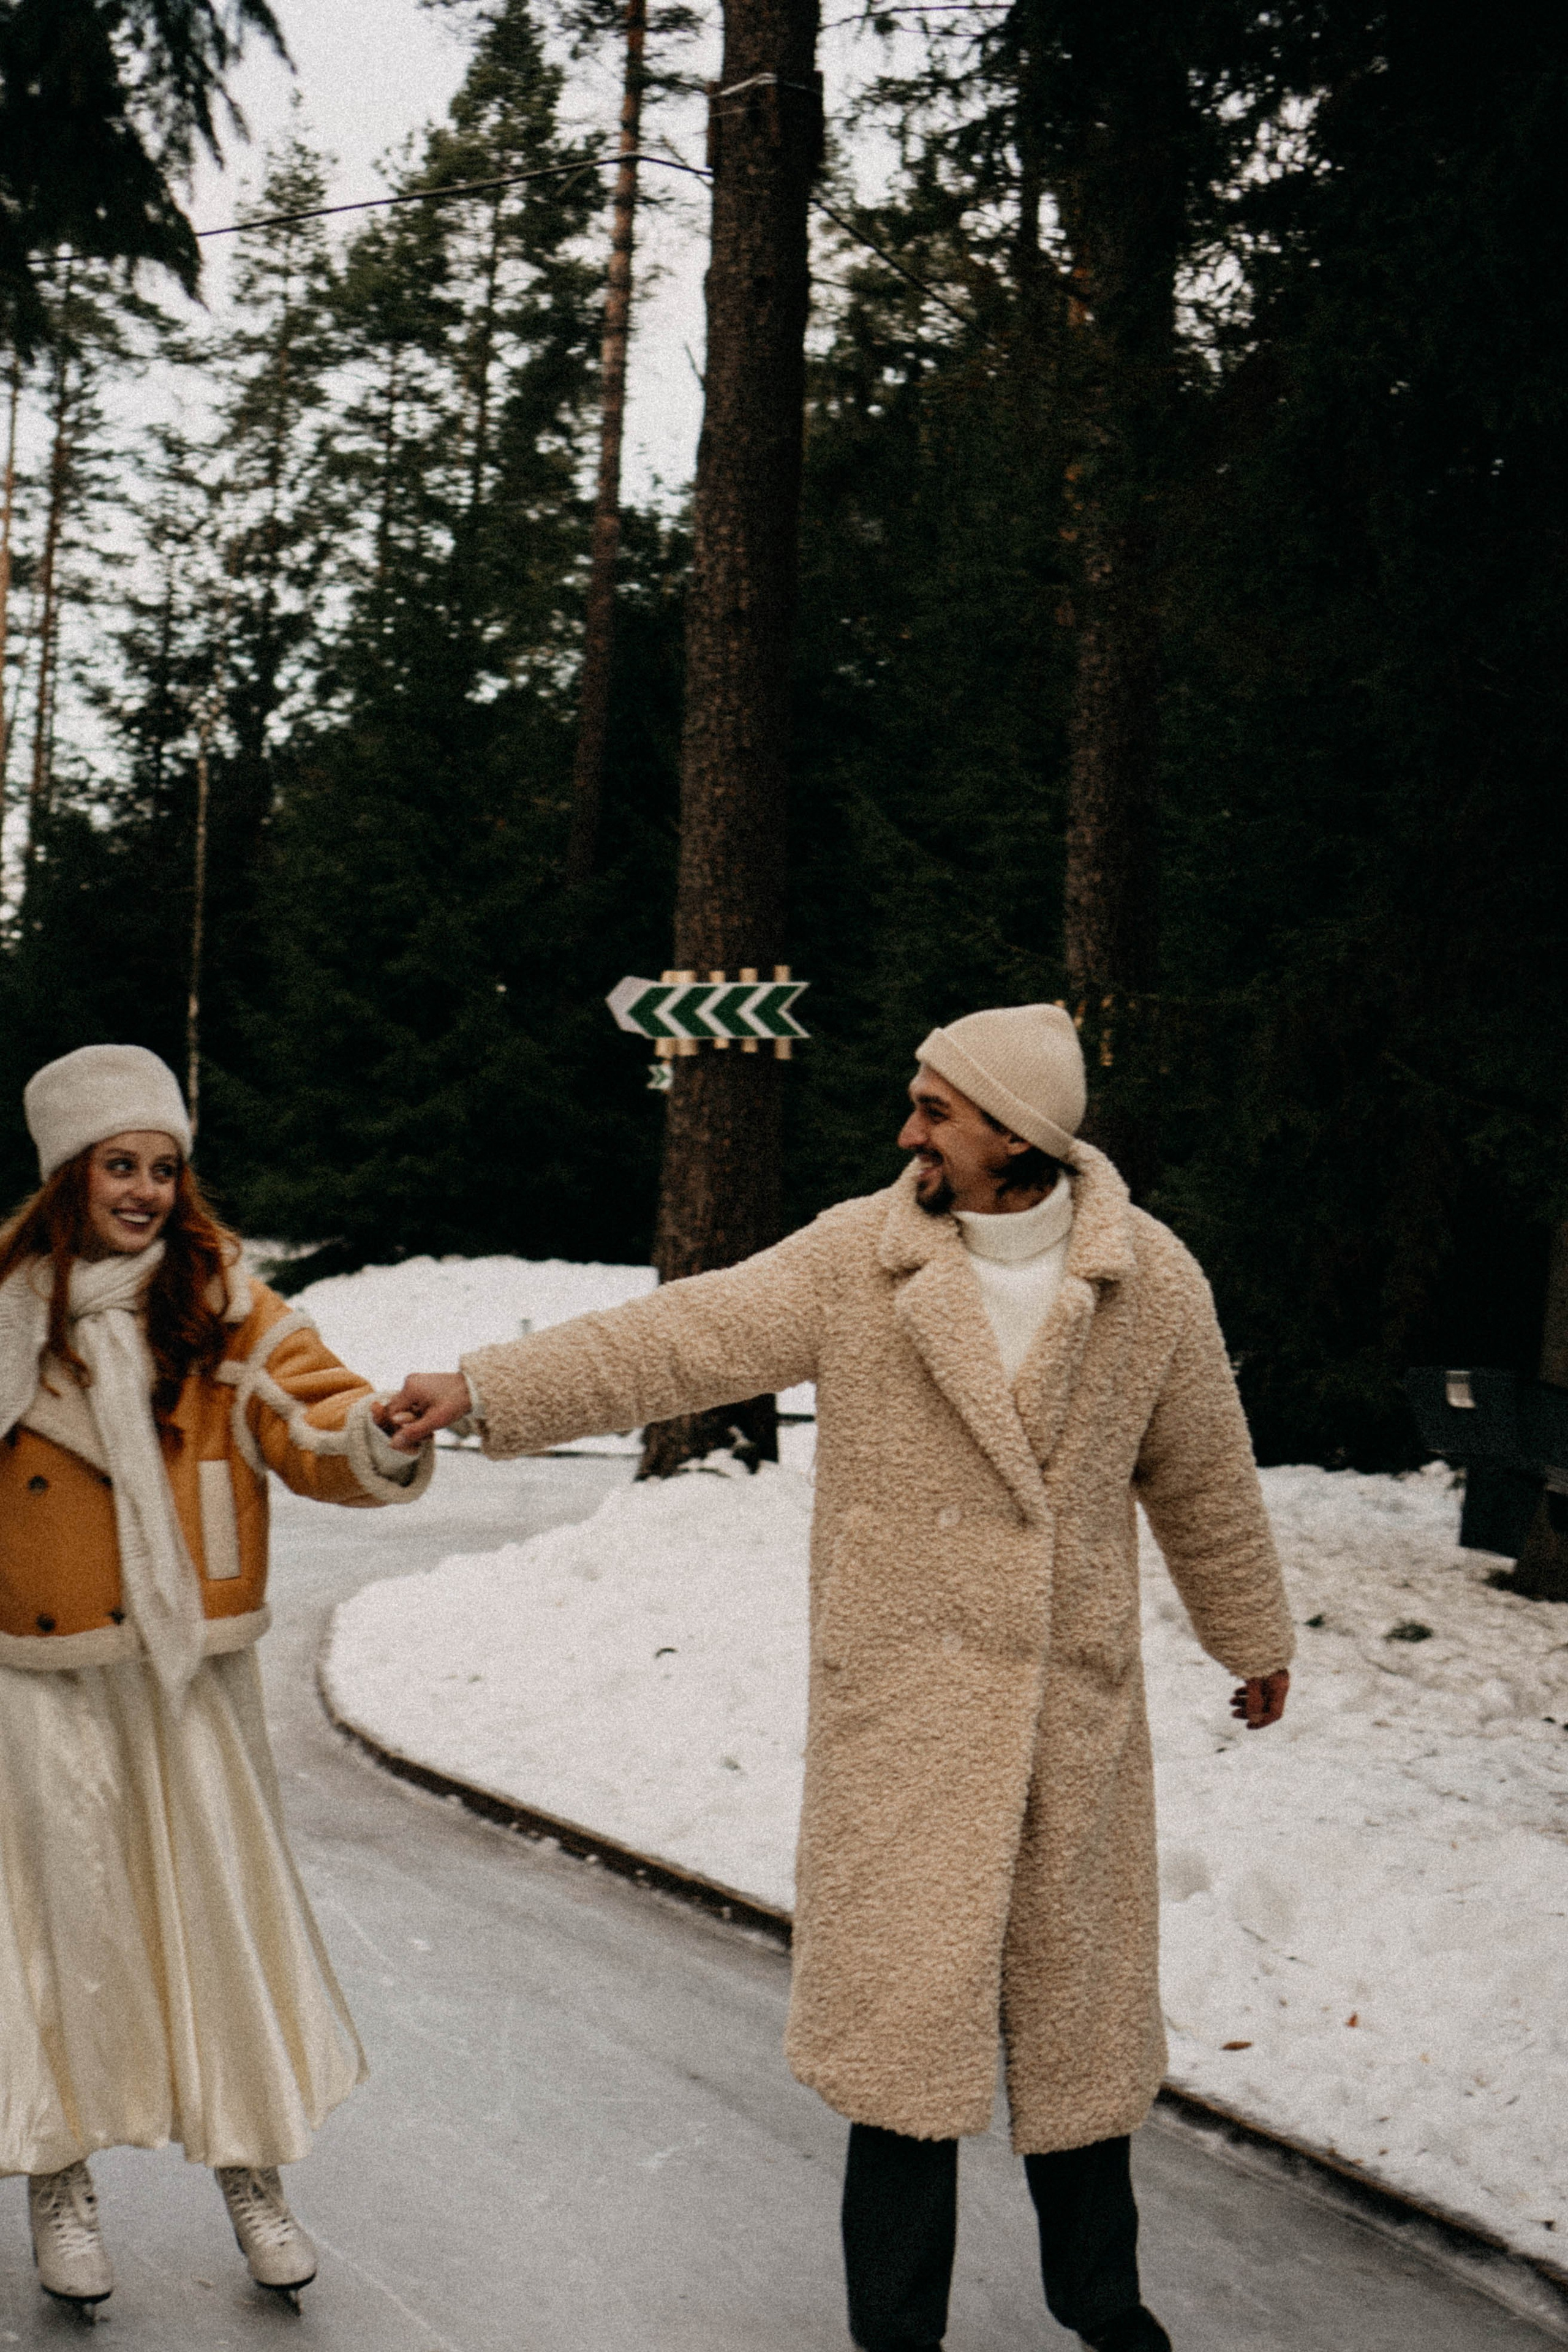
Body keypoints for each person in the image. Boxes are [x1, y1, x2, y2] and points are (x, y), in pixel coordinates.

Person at [382, 1004, 1294, 2352]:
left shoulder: (1148, 1280)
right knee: (900, 2050)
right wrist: (483, 1386)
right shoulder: (857, 1260)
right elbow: (674, 1340)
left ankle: (1104, 2311)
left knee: (1078, 2038)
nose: (906, 1130)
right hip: (904, 1719)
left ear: (1014, 1134)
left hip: (1067, 1714)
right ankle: (895, 2336)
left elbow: (1203, 1473)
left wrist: (1252, 1635)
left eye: (933, 1109)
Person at [0, 1045, 434, 2317]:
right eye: (119, 1165)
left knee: (218, 1919)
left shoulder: (224, 1298)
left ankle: (252, 2172)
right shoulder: (8, 1309)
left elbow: (310, 1417)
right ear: (68, 1174)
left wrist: (376, 1438)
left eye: (164, 1167)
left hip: (188, 1671)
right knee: (61, 1929)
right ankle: (57, 2181)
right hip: (41, 1670)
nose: (143, 1189)